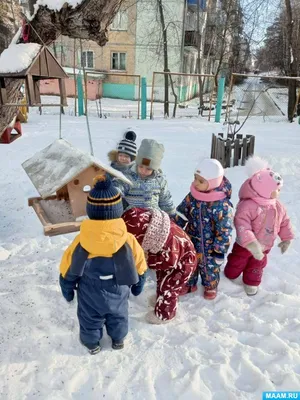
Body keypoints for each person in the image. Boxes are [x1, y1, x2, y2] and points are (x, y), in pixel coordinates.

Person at [59, 175, 147, 354]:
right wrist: (139, 285)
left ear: (90, 211)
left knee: (89, 318)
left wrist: (67, 290)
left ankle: (92, 343)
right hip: (118, 289)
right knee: (119, 315)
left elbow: (67, 269)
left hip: (89, 292)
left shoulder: (81, 241)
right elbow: (140, 265)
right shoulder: (128, 240)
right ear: (118, 210)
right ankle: (118, 339)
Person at [224, 157, 294, 295]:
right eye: (276, 190)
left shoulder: (277, 205)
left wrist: (287, 238)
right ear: (264, 189)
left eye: (279, 190)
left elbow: (285, 222)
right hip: (245, 246)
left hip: (265, 245)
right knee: (237, 262)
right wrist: (251, 244)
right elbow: (242, 224)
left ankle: (251, 282)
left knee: (257, 265)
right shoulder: (248, 205)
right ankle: (230, 275)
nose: (278, 193)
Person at [122, 207, 197, 324]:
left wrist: (147, 260)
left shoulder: (169, 244)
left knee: (168, 288)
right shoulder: (159, 231)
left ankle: (164, 315)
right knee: (161, 280)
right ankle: (160, 299)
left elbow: (167, 261)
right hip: (175, 259)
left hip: (182, 266)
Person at [174, 159, 233, 300]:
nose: (195, 183)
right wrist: (175, 227)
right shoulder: (192, 197)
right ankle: (189, 283)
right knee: (189, 262)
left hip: (211, 245)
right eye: (195, 178)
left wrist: (220, 250)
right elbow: (182, 212)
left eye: (200, 181)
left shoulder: (221, 206)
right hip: (192, 238)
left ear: (212, 182)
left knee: (210, 268)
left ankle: (210, 285)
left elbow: (225, 230)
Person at [113, 138, 176, 215]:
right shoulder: (129, 177)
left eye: (148, 169)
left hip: (154, 218)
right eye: (141, 166)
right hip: (133, 217)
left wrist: (171, 215)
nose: (143, 170)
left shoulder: (160, 181)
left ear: (154, 169)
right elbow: (118, 187)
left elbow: (165, 201)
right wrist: (113, 190)